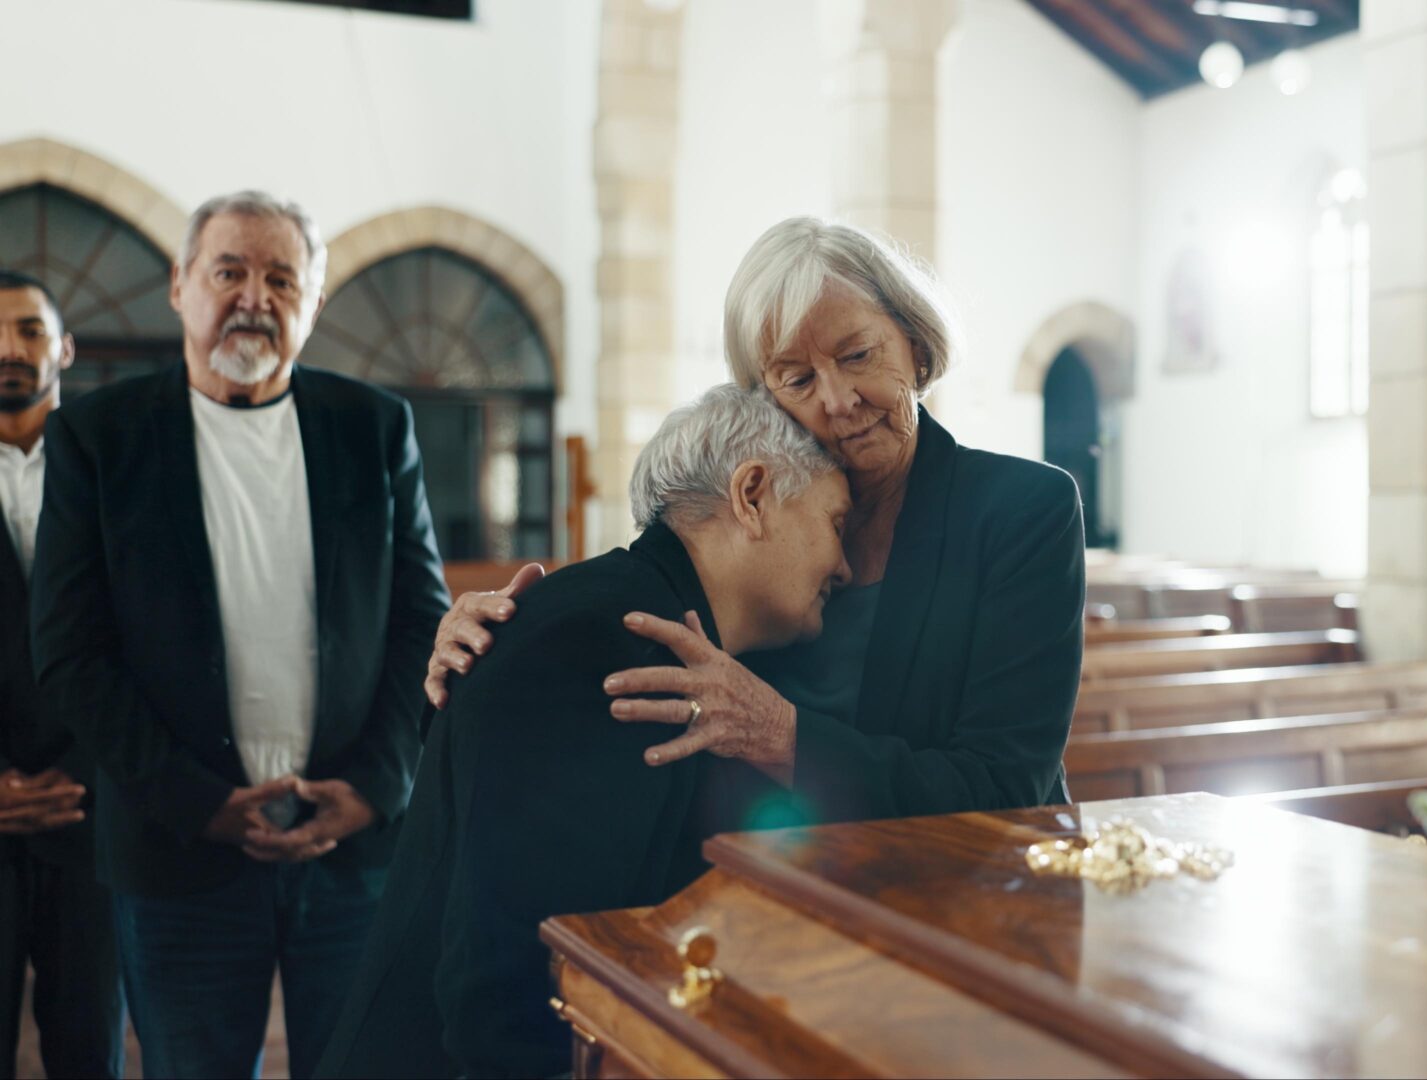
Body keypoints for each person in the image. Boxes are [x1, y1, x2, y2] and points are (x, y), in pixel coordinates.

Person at [428, 216, 1084, 827]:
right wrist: (492, 643)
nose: (837, 400)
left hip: (969, 894)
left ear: (914, 345)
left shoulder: (1023, 510)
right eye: (796, 379)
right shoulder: (754, 517)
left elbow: (1004, 791)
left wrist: (783, 736)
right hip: (775, 898)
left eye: (857, 355)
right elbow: (647, 620)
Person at [30, 192, 449, 1078]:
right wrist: (198, 804)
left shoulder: (372, 428)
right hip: (178, 850)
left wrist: (375, 786)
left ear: (314, 305)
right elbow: (71, 653)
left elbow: (423, 623)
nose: (254, 296)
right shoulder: (98, 439)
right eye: (229, 271)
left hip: (351, 847)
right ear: (180, 286)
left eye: (280, 278)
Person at [319, 384, 852, 1079]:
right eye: (837, 522)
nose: (844, 565)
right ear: (752, 495)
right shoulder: (603, 642)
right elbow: (514, 974)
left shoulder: (639, 621)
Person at [0, 271, 124, 1079]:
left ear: (65, 349)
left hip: (95, 810)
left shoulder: (115, 470)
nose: (9, 350)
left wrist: (89, 773)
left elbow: (145, 638)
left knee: (89, 1049)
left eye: (30, 331)